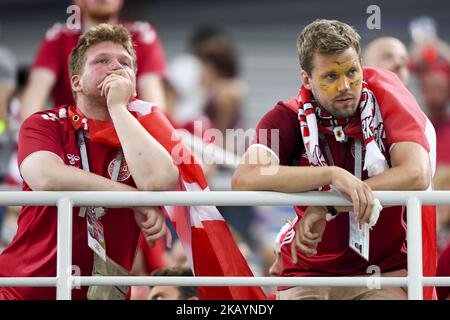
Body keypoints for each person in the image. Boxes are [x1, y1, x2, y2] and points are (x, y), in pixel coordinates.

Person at [232, 19, 436, 300]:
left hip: (381, 274)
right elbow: (245, 178)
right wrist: (331, 175)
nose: (345, 86)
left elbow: (416, 174)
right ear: (306, 79)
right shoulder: (285, 116)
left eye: (352, 72)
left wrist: (328, 205)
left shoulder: (389, 100)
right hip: (307, 274)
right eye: (330, 76)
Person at [0, 24, 179, 300]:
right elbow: (46, 178)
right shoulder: (45, 123)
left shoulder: (145, 131)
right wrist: (134, 198)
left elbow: (159, 181)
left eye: (125, 63)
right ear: (76, 82)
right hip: (22, 291)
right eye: (102, 61)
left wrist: (118, 107)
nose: (115, 67)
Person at [20, 0, 167, 121]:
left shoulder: (142, 35)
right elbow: (35, 96)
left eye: (123, 61)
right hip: (71, 140)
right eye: (102, 60)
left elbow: (154, 101)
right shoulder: (59, 37)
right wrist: (35, 137)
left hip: (127, 136)